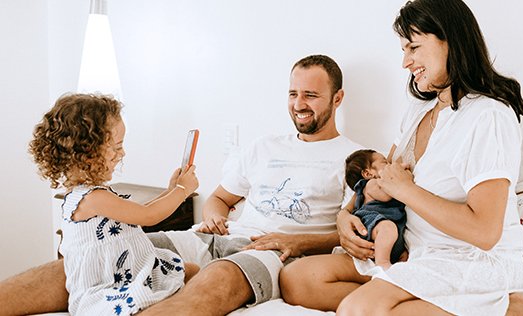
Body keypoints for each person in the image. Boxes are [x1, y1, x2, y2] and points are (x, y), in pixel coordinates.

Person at [0, 54, 363, 316]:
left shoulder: (357, 158)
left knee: (220, 276)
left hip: (273, 253)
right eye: (292, 93)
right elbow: (220, 198)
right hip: (213, 236)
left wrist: (296, 242)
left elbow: (354, 235)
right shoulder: (262, 146)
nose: (298, 104)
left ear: (337, 98)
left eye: (310, 96)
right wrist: (213, 215)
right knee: (112, 251)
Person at [280, 1, 523, 316]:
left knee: (357, 310)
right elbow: (381, 177)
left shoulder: (488, 115)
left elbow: (485, 232)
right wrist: (345, 216)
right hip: (411, 250)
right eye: (404, 49)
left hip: (466, 258)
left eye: (414, 47)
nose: (406, 62)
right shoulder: (419, 111)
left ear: (451, 41)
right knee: (297, 279)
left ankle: (507, 306)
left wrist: (408, 191)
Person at [27, 93, 200, 315]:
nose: (123, 153)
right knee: (181, 280)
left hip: (130, 270)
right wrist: (182, 190)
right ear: (88, 152)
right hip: (112, 285)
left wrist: (170, 191)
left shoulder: (86, 194)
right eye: (117, 147)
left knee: (191, 270)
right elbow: (148, 216)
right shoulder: (93, 198)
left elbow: (138, 212)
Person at [344, 149, 406, 270]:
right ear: (368, 174)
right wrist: (400, 171)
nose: (389, 165)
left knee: (404, 255)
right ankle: (382, 263)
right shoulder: (371, 184)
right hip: (370, 224)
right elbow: (387, 194)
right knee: (387, 228)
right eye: (385, 163)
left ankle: (396, 267)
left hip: (391, 234)